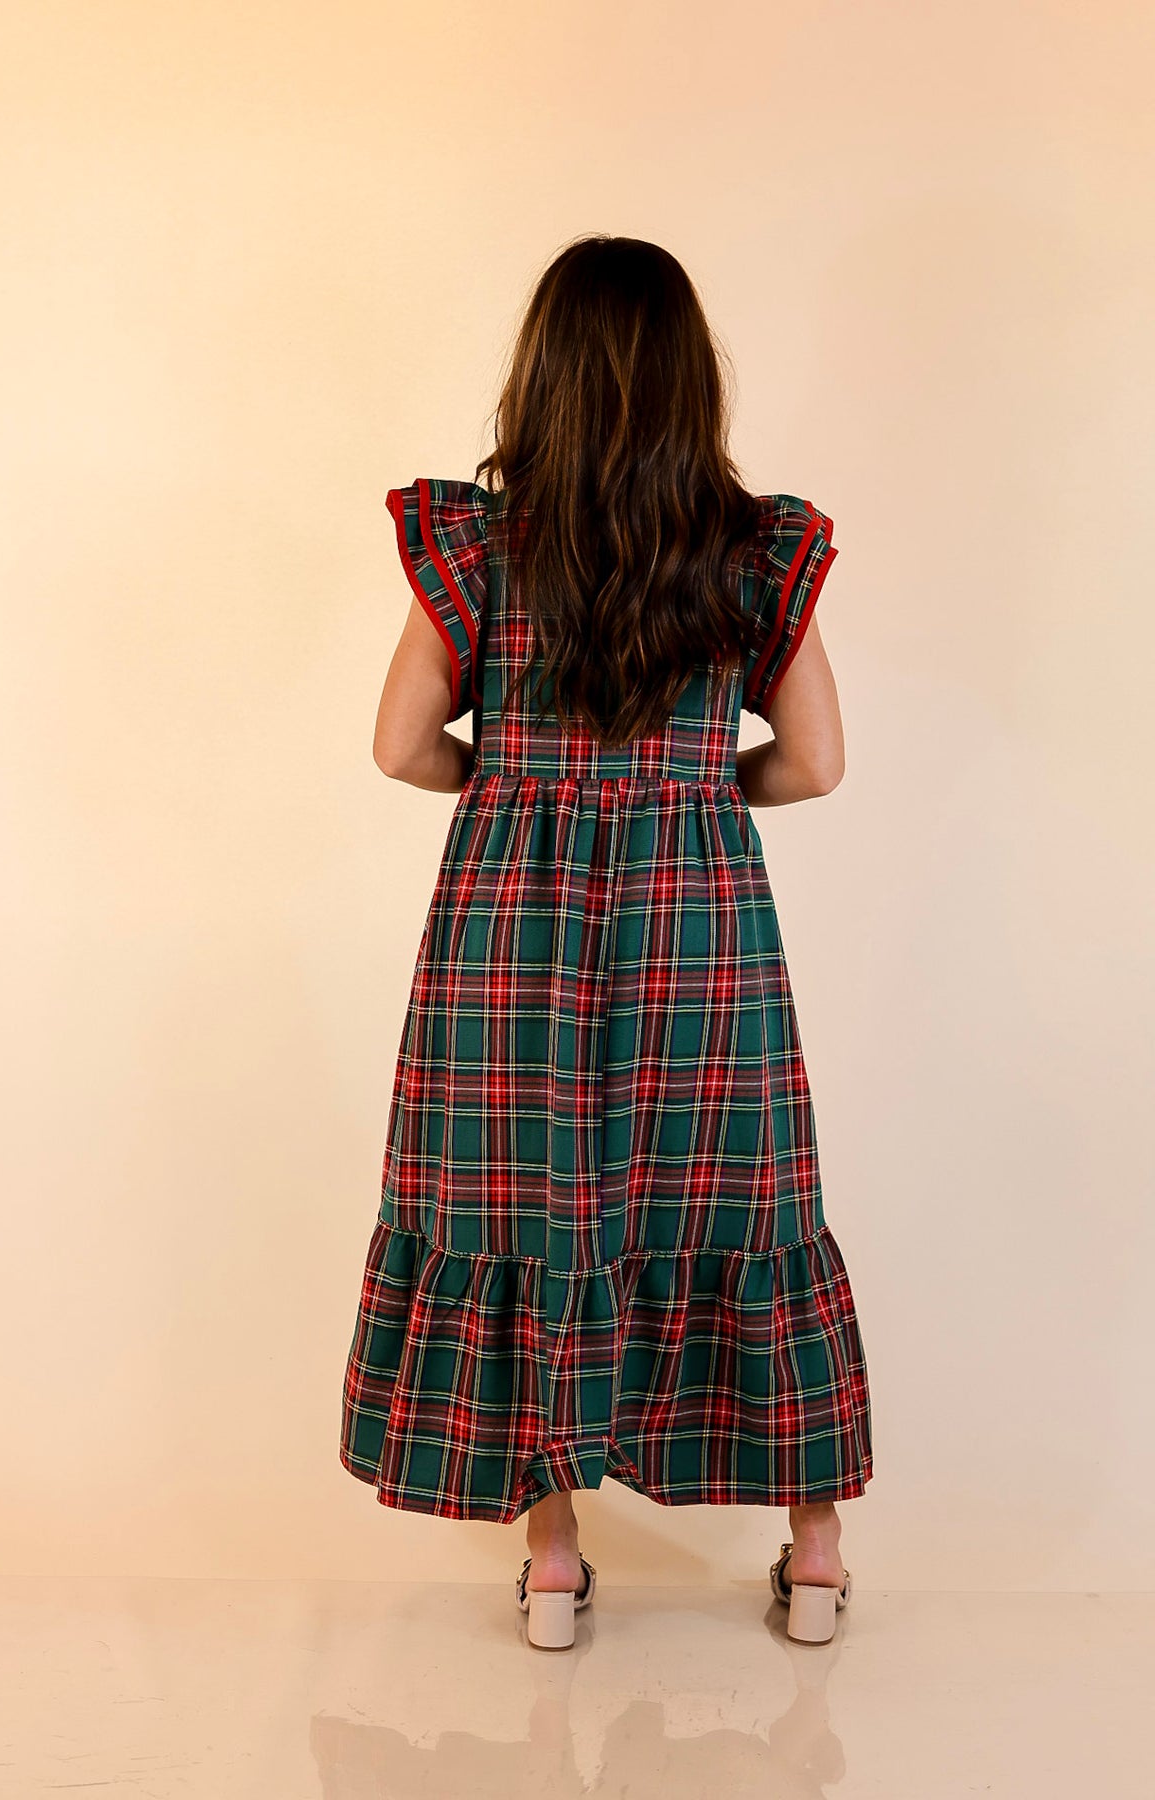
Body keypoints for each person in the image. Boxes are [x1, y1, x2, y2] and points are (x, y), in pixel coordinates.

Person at [339, 234, 873, 1650]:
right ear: (696, 381)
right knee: (740, 1202)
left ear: (544, 377)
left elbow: (398, 745)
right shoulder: (752, 553)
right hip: (699, 923)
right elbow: (816, 764)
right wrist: (695, 790)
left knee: (535, 1207)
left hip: (509, 931)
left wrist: (511, 783)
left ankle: (558, 1566)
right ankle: (818, 1560)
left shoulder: (482, 552)